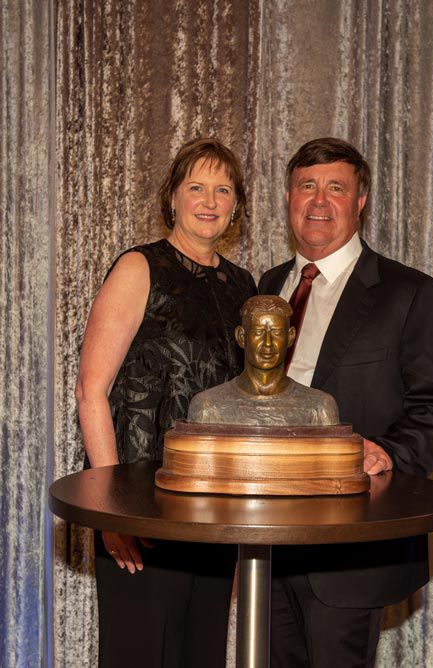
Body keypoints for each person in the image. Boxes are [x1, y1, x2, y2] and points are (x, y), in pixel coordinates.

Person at [259, 137, 433, 667]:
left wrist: (388, 453)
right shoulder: (265, 290)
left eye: (336, 188)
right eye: (307, 186)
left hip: (349, 546)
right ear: (288, 197)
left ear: (360, 201)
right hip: (263, 539)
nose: (319, 201)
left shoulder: (410, 293)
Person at [75, 138, 256, 667]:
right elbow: (91, 391)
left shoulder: (242, 285)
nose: (209, 199)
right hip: (139, 509)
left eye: (223, 189)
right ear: (172, 198)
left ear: (236, 206)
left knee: (200, 654)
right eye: (196, 186)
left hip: (211, 508)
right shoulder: (139, 267)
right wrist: (111, 512)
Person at [188, 294, 339, 426]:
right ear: (241, 337)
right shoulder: (208, 407)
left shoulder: (319, 408)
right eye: (258, 332)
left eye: (277, 332)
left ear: (290, 337)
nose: (268, 343)